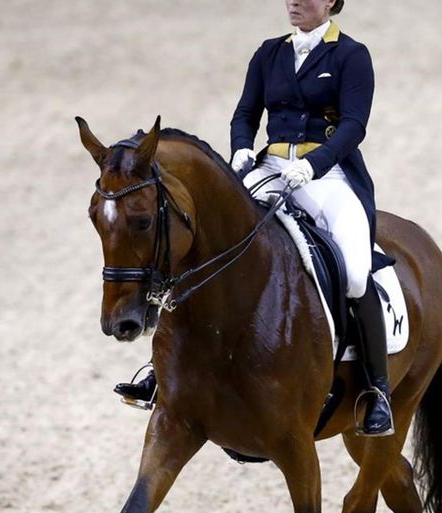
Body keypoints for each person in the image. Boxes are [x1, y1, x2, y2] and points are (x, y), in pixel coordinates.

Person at [116, 0, 393, 436]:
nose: (294, 2)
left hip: (327, 173)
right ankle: (160, 369)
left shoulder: (351, 55)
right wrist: (242, 148)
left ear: (331, 2)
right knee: (201, 242)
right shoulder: (269, 52)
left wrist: (315, 162)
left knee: (357, 273)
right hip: (267, 167)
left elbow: (354, 125)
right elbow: (246, 113)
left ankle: (376, 390)